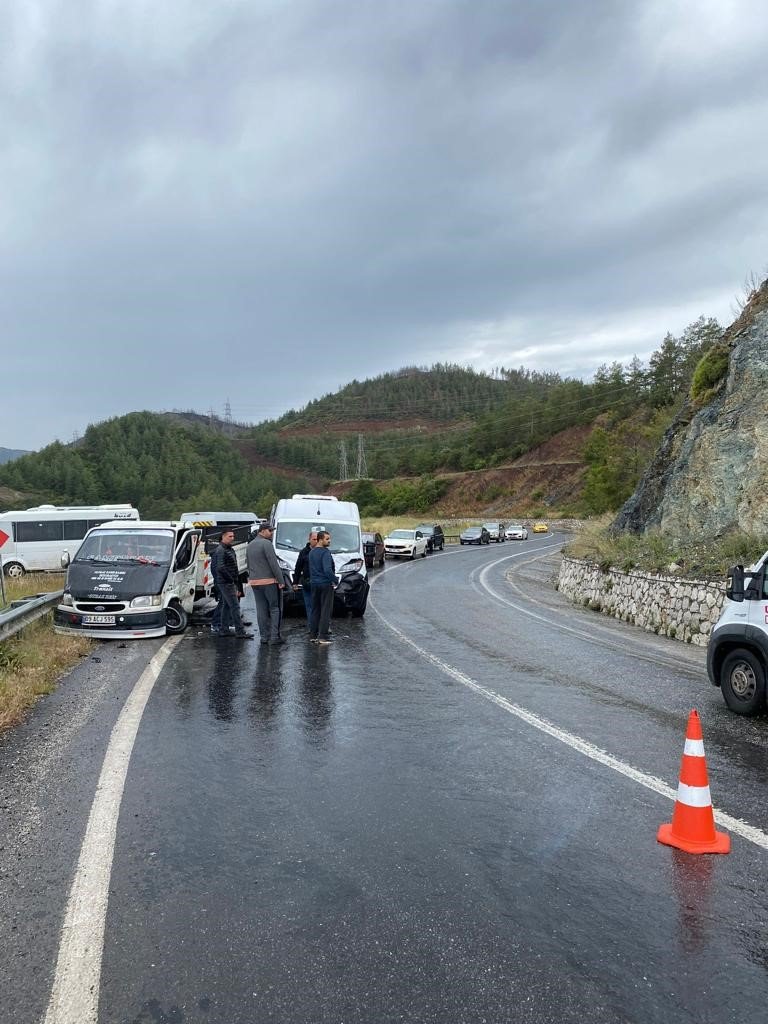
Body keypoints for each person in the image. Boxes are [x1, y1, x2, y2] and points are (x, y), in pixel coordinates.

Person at [246, 522, 286, 645]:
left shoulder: (250, 545)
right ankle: (274, 637)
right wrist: (281, 581)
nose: (272, 533)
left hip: (255, 581)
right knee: (275, 608)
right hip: (269, 581)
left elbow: (248, 564)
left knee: (261, 609)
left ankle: (264, 637)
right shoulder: (266, 544)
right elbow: (273, 564)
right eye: (270, 531)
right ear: (262, 531)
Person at [212, 529, 253, 639]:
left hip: (227, 581)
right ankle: (240, 631)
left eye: (233, 536)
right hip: (226, 582)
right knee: (235, 606)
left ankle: (224, 629)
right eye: (230, 536)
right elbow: (220, 567)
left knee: (226, 606)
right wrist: (231, 580)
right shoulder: (221, 550)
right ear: (223, 537)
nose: (232, 538)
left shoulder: (228, 549)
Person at [308, 530, 337, 645]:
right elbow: (327, 570)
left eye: (329, 539)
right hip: (325, 584)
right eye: (327, 539)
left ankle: (313, 635)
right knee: (325, 610)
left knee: (315, 610)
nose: (329, 541)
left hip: (314, 584)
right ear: (320, 540)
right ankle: (323, 637)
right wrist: (335, 580)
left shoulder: (312, 552)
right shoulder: (325, 552)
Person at [293, 530, 318, 621]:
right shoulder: (304, 552)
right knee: (309, 605)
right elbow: (298, 567)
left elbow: (331, 566)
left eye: (317, 539)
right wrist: (295, 582)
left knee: (321, 605)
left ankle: (323, 626)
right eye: (314, 539)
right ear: (309, 539)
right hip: (308, 582)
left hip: (321, 583)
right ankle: (312, 627)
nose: (315, 541)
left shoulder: (324, 551)